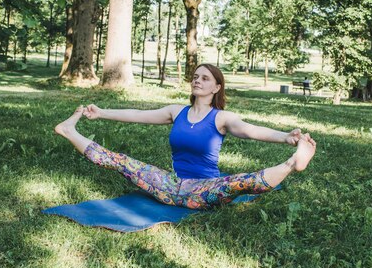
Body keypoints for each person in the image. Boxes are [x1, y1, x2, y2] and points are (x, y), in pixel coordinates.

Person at [55, 63, 317, 210]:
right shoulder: (176, 111)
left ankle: (292, 163)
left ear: (217, 87)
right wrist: (102, 112)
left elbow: (250, 130)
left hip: (207, 190)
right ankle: (69, 130)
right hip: (173, 187)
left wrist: (286, 137)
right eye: (195, 77)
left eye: (205, 78)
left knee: (239, 183)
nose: (197, 81)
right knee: (122, 161)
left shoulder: (221, 118)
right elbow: (138, 114)